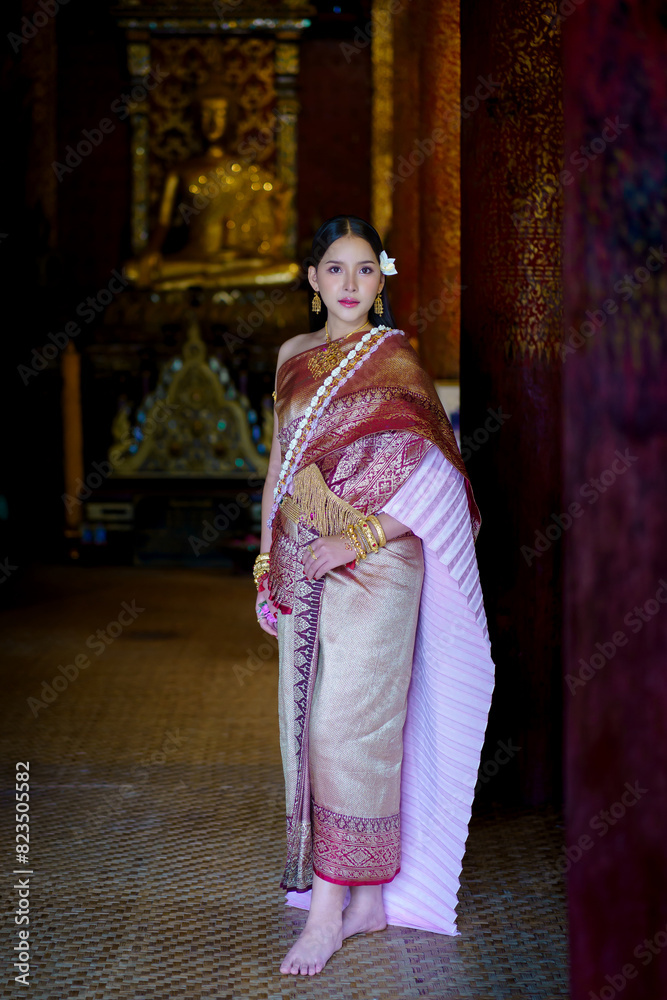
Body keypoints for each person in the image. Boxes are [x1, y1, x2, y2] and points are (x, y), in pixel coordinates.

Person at [253, 215, 495, 977]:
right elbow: (279, 469)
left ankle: (326, 914)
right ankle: (361, 900)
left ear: (381, 280)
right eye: (335, 269)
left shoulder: (398, 365)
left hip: (379, 562)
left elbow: (436, 486)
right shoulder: (292, 357)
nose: (349, 284)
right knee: (302, 731)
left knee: (342, 728)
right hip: (301, 556)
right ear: (313, 278)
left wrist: (349, 542)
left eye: (364, 270)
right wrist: (266, 563)